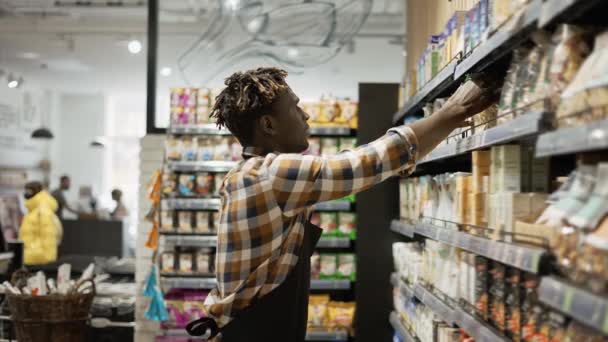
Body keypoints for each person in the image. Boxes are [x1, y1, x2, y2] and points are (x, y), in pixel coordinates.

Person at [187, 68, 496, 341]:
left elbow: (370, 163)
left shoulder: (252, 174)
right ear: (269, 124)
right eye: (294, 107)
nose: (305, 115)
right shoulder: (269, 175)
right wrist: (451, 112)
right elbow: (365, 163)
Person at [20, 181, 63, 265]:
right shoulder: (34, 209)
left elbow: (48, 238)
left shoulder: (43, 210)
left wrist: (45, 258)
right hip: (31, 256)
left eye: (28, 190)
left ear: (36, 191)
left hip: (37, 259)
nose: (26, 193)